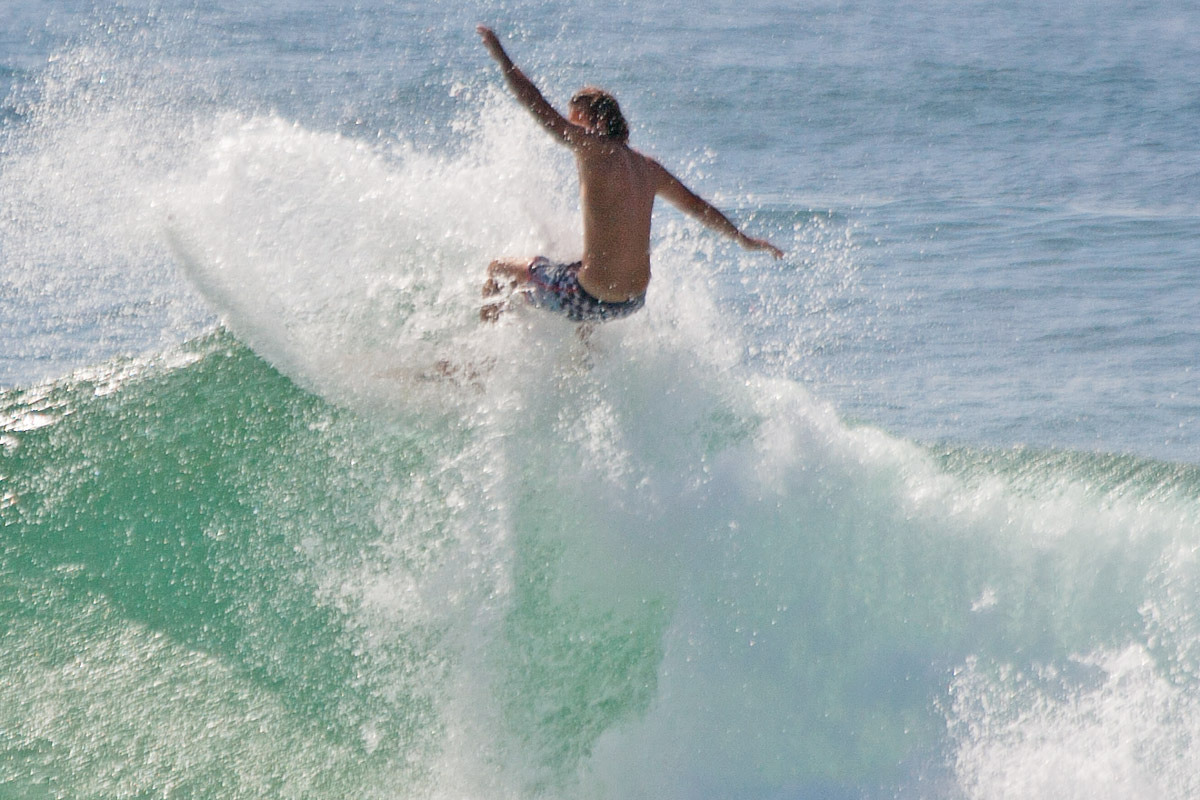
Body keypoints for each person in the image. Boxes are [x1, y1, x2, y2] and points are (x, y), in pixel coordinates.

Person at [476, 25, 784, 323]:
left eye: (576, 120)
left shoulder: (591, 146)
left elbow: (539, 108)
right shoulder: (648, 167)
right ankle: (581, 362)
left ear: (590, 121)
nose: (573, 130)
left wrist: (502, 58)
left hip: (586, 298)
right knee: (574, 268)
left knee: (498, 270)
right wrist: (744, 239)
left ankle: (479, 362)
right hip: (631, 302)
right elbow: (697, 207)